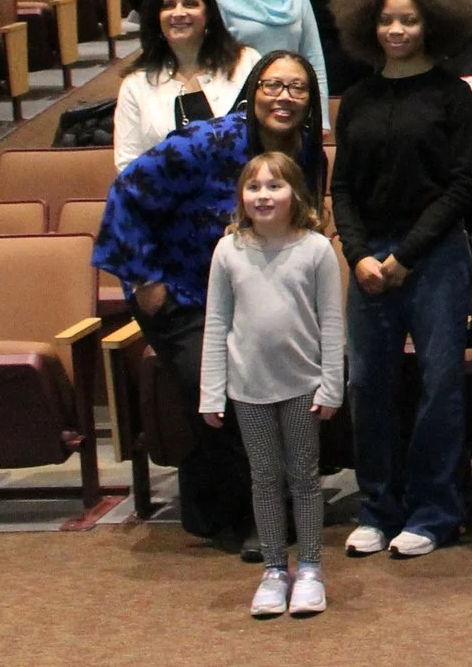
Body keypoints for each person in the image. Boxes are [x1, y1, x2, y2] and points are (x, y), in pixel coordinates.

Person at [96, 52, 327, 552]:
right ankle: (253, 519)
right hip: (178, 292)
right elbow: (127, 192)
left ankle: (215, 509)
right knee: (221, 390)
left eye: (297, 88)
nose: (283, 97)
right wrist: (143, 278)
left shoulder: (308, 153)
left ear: (311, 100)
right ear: (253, 90)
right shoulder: (207, 140)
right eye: (272, 85)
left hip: (254, 294)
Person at [326, 0, 472, 562]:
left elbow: (465, 183)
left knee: (439, 386)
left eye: (409, 20)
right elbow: (341, 186)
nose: (396, 29)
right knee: (369, 385)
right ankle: (376, 508)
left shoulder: (452, 95)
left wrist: (404, 256)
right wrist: (359, 253)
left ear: (431, 26)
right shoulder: (360, 97)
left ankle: (433, 511)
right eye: (387, 20)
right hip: (369, 260)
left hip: (436, 256)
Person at [201, 151, 345, 619]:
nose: (263, 195)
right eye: (254, 187)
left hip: (303, 386)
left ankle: (308, 568)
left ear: (296, 195)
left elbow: (331, 322)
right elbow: (217, 323)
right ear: (242, 197)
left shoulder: (317, 249)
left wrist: (332, 385)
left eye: (274, 186)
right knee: (264, 479)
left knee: (303, 478)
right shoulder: (228, 251)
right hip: (249, 390)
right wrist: (211, 390)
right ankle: (272, 569)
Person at [117, 0, 261, 169]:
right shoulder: (136, 84)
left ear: (208, 13)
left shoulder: (247, 63)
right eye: (168, 6)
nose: (178, 13)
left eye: (190, 4)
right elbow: (128, 163)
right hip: (167, 196)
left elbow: (267, 138)